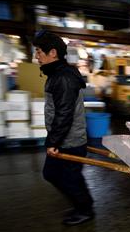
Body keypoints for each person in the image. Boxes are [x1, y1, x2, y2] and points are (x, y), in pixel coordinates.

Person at [33, 30, 94, 225]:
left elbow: (64, 113)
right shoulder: (58, 73)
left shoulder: (63, 78)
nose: (36, 56)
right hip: (64, 138)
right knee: (55, 174)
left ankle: (85, 209)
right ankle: (83, 205)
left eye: (39, 51)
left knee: (67, 176)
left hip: (70, 140)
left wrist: (53, 141)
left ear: (52, 53)